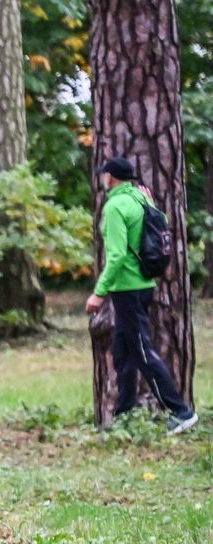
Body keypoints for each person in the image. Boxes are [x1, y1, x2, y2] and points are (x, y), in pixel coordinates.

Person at [85, 157, 197, 433]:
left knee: (142, 351)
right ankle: (124, 415)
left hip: (127, 288)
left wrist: (99, 293)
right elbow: (162, 222)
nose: (102, 178)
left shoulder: (114, 206)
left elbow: (116, 255)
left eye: (105, 174)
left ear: (110, 177)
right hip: (144, 285)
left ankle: (181, 411)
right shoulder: (141, 198)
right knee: (123, 351)